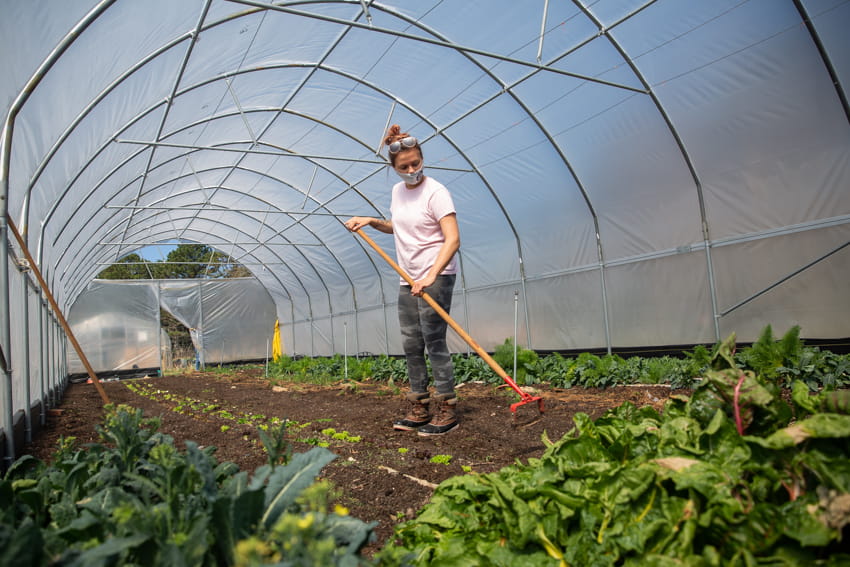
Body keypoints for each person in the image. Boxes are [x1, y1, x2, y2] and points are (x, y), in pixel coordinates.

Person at [345, 125, 460, 436]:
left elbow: (452, 240)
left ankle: (447, 407)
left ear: (422, 158)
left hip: (435, 275)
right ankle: (419, 404)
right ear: (393, 168)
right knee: (411, 344)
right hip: (407, 278)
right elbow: (400, 226)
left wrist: (431, 276)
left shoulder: (436, 192)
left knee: (433, 341)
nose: (411, 171)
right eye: (404, 167)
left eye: (416, 163)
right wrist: (371, 221)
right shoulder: (398, 192)